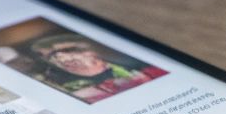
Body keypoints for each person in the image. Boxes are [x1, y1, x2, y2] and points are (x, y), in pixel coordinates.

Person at [26, 36, 164, 102]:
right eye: (51, 57)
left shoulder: (143, 67)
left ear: (92, 51)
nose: (61, 59)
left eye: (68, 51)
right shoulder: (62, 88)